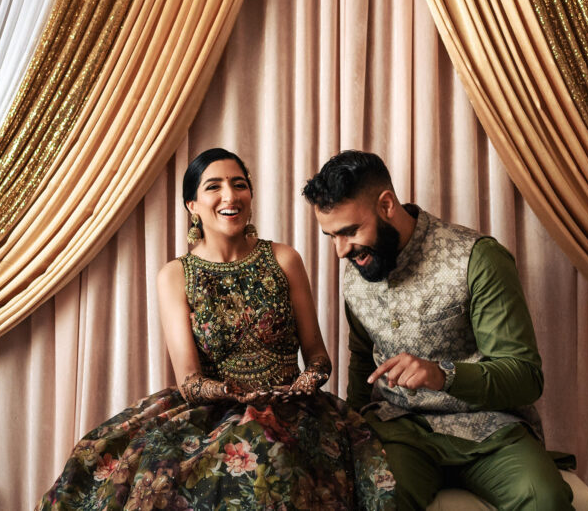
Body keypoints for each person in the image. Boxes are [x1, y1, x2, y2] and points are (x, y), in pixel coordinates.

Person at [39, 148, 395, 510]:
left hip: (293, 408)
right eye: (214, 186)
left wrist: (304, 382)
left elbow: (318, 357)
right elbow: (189, 380)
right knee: (109, 462)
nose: (230, 195)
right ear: (192, 205)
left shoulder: (284, 258)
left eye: (239, 184)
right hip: (211, 412)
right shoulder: (175, 275)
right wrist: (231, 392)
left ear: (250, 196)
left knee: (266, 457)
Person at [303, 150, 573, 511]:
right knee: (373, 499)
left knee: (546, 501)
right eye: (331, 236)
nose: (340, 251)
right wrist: (351, 427)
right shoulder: (358, 268)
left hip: (490, 429)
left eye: (350, 231)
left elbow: (524, 377)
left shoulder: (477, 258)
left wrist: (441, 375)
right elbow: (362, 364)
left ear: (386, 205)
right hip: (399, 428)